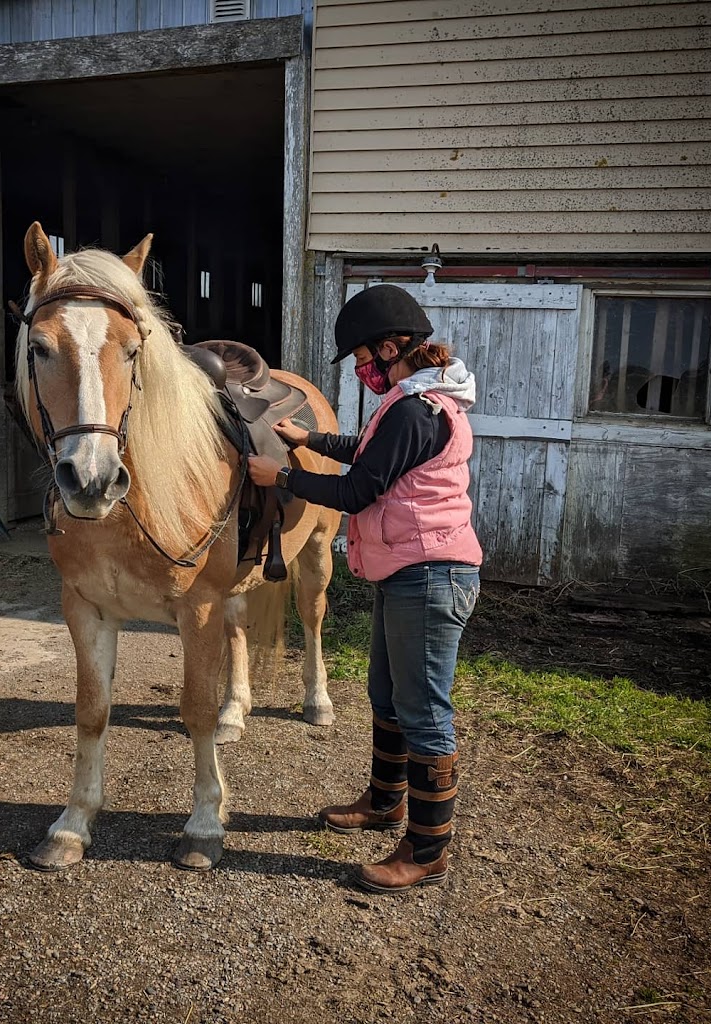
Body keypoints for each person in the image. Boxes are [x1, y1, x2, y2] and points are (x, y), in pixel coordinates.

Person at [247, 284, 482, 895]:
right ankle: (385, 802)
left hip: (431, 575)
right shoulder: (411, 403)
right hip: (407, 571)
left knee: (426, 714)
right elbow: (370, 455)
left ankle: (429, 849)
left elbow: (358, 491)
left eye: (360, 359)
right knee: (387, 693)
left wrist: (286, 476)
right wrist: (314, 441)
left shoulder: (414, 409)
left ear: (389, 346)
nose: (358, 371)